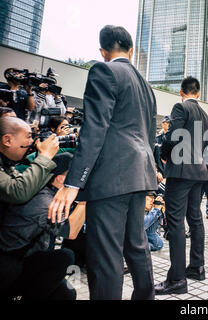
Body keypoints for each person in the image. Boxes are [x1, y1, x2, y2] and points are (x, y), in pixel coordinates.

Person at [48, 25, 158, 300]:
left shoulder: (104, 70)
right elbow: (148, 133)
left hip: (111, 176)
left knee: (106, 255)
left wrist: (73, 182)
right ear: (130, 50)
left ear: (103, 51)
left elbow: (94, 128)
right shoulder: (146, 87)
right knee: (136, 245)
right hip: (139, 175)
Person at [156, 76, 208, 295]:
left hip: (180, 171)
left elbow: (172, 136)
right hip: (198, 171)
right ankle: (197, 267)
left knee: (176, 222)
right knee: (195, 219)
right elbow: (205, 144)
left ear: (182, 92)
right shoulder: (206, 117)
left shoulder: (180, 107)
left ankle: (177, 279)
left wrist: (163, 153)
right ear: (198, 93)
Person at [0, 153, 83, 300]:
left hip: (26, 259)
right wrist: (85, 199)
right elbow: (71, 232)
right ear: (60, 179)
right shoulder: (44, 202)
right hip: (9, 267)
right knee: (64, 258)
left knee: (66, 294)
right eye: (75, 177)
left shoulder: (51, 194)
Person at [0, 116, 59, 296]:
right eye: (28, 136)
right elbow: (18, 191)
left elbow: (22, 182)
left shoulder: (7, 164)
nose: (32, 141)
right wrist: (45, 157)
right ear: (7, 140)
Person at [154, 115, 170, 181]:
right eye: (168, 123)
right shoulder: (157, 139)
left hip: (171, 175)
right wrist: (156, 172)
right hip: (160, 176)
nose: (170, 125)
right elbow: (153, 157)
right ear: (163, 124)